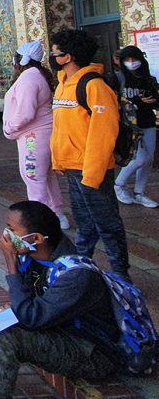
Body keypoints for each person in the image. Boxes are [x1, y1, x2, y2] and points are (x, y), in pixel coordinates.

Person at [0, 201, 122, 399]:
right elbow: (28, 308)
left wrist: (11, 265)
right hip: (55, 329)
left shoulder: (75, 276)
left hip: (92, 353)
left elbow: (31, 318)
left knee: (7, 339)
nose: (6, 236)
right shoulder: (33, 258)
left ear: (37, 238)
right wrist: (13, 309)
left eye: (12, 230)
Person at [49, 29, 129, 279]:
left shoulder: (94, 86)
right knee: (84, 222)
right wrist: (59, 160)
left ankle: (121, 275)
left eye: (55, 53)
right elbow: (61, 127)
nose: (52, 57)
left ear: (68, 57)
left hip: (92, 169)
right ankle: (80, 266)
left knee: (108, 224)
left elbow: (103, 134)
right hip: (73, 167)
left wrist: (92, 174)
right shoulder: (62, 84)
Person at [3, 41, 69, 229]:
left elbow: (25, 113)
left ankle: (41, 222)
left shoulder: (29, 79)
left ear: (22, 60)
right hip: (39, 134)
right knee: (45, 176)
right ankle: (57, 214)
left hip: (33, 137)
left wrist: (9, 128)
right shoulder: (36, 75)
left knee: (33, 177)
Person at [112, 45, 159, 207]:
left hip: (148, 122)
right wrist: (136, 101)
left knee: (149, 159)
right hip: (128, 125)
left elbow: (155, 100)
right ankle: (119, 184)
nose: (131, 62)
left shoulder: (147, 79)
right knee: (140, 158)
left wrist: (153, 99)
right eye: (128, 59)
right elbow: (113, 101)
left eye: (135, 59)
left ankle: (140, 192)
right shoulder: (117, 78)